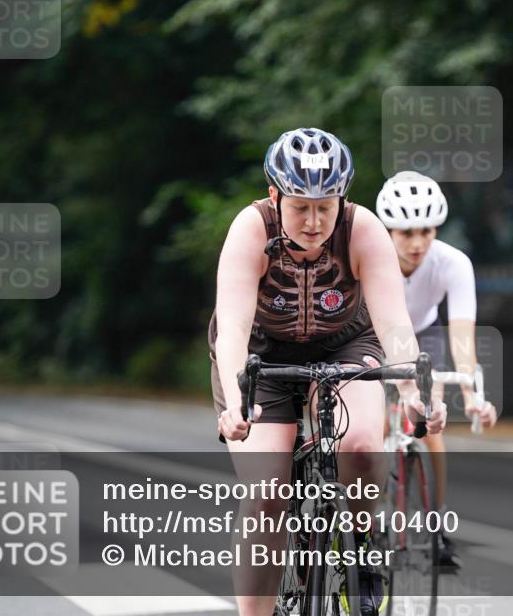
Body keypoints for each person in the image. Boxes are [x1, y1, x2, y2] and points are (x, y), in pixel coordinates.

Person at [210, 129, 447, 616]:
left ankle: (361, 546)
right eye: (301, 207)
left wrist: (412, 390)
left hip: (346, 343)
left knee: (360, 445)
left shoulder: (363, 231)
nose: (315, 221)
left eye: (327, 205)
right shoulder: (250, 230)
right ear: (276, 196)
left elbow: (394, 326)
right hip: (260, 354)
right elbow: (231, 327)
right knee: (265, 495)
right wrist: (237, 401)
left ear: (344, 197)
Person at [375, 171, 498, 567]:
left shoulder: (452, 263)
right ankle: (367, 519)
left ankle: (436, 524)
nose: (417, 244)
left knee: (430, 427)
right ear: (388, 231)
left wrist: (472, 396)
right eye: (405, 233)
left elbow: (462, 335)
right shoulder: (370, 258)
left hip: (424, 333)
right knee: (374, 426)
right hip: (372, 332)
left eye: (426, 231)